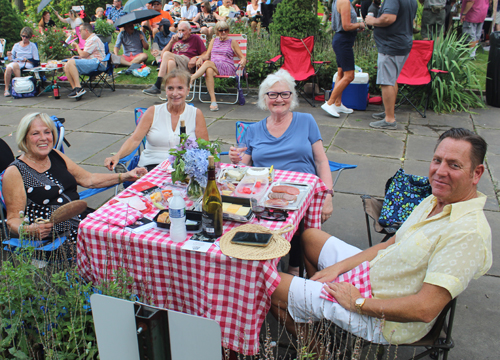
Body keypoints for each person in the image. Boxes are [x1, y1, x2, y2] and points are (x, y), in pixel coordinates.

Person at [271, 128, 492, 351]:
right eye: (437, 160)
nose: (439, 172)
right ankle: (315, 313)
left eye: (454, 165)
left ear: (477, 173)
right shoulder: (437, 199)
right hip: (374, 273)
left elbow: (425, 309)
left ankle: (319, 352)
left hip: (382, 316)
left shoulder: (466, 233)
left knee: (270, 285)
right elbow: (390, 243)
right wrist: (337, 268)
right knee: (310, 237)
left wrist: (358, 303)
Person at [228, 69, 334, 275]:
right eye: (273, 94)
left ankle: (294, 268)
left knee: (297, 228)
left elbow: (321, 161)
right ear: (264, 98)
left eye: (285, 94)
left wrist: (327, 195)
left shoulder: (306, 121)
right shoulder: (253, 130)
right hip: (266, 195)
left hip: (303, 194)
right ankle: (260, 269)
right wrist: (235, 159)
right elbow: (243, 169)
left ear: (292, 97)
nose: (279, 99)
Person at [2, 113, 146, 257]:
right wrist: (28, 230)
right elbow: (13, 219)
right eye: (35, 133)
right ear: (24, 138)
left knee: (132, 228)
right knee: (116, 245)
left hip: (80, 220)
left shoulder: (55, 155)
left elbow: (89, 179)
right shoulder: (15, 172)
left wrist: (126, 176)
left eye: (47, 132)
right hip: (54, 236)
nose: (43, 138)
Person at [105, 70, 209, 172]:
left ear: (188, 90)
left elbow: (204, 147)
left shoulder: (196, 114)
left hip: (184, 168)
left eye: (180, 88)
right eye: (170, 88)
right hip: (151, 166)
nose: (175, 93)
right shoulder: (153, 112)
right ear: (165, 90)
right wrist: (117, 156)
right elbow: (134, 140)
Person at [365, 0, 417, 130]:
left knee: (387, 81)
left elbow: (389, 17)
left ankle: (389, 119)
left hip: (391, 45)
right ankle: (389, 111)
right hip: (402, 43)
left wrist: (372, 21)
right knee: (392, 79)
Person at [321, 0, 366, 118]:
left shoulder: (338, 1)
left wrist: (355, 28)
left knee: (341, 72)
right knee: (350, 75)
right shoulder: (344, 2)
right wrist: (360, 25)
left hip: (341, 40)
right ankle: (329, 102)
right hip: (343, 42)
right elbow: (346, 26)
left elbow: (343, 24)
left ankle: (338, 103)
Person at [190, 21, 246, 111]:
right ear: (217, 31)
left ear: (228, 31)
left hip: (227, 66)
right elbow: (207, 55)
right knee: (208, 69)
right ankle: (213, 101)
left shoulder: (232, 42)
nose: (223, 32)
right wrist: (199, 57)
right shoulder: (213, 40)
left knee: (208, 63)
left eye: (226, 30)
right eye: (221, 30)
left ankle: (192, 78)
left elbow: (242, 57)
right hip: (214, 66)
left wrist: (243, 61)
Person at [143, 21, 206, 97]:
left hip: (187, 63)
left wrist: (197, 57)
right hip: (175, 63)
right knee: (170, 62)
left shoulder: (195, 38)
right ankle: (172, 95)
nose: (180, 32)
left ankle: (158, 84)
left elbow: (205, 54)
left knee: (168, 55)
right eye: (179, 30)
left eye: (183, 30)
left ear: (189, 31)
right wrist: (171, 42)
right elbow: (162, 55)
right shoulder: (175, 40)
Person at [63, 23, 106, 99]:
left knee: (71, 62)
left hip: (97, 63)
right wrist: (77, 57)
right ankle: (75, 89)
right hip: (92, 61)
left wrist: (77, 46)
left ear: (86, 31)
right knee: (67, 65)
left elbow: (83, 55)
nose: (79, 33)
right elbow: (85, 55)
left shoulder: (93, 39)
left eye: (80, 31)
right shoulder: (89, 39)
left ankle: (78, 88)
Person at [4, 27, 39, 97]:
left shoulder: (32, 46)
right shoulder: (16, 45)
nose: (24, 38)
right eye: (23, 36)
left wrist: (26, 60)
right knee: (8, 68)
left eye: (26, 37)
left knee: (15, 65)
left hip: (28, 63)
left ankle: (19, 88)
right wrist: (9, 55)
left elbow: (36, 60)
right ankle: (6, 89)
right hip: (17, 62)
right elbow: (11, 58)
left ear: (29, 37)